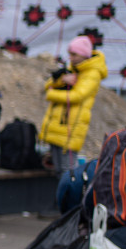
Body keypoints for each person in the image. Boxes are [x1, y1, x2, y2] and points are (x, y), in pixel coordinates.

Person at [39, 35, 108, 173]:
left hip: (71, 128)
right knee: (58, 170)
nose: (70, 58)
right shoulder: (73, 69)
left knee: (67, 171)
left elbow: (77, 96)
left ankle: (73, 195)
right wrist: (62, 79)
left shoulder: (92, 73)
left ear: (83, 54)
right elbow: (48, 85)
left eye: (74, 54)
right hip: (58, 126)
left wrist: (52, 95)